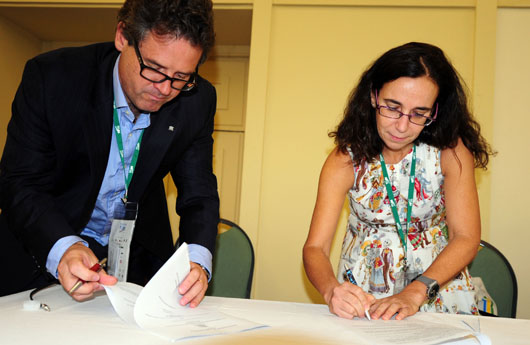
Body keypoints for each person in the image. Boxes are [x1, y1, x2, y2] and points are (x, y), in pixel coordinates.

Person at [0, 0, 219, 308]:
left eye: (181, 76)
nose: (165, 89)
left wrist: (197, 261)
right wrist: (63, 247)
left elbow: (199, 194)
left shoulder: (197, 100)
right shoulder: (53, 77)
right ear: (122, 37)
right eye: (154, 69)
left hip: (135, 258)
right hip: (44, 242)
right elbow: (19, 181)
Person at [303, 42, 494, 321]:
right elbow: (315, 248)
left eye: (419, 113)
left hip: (436, 293)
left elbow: (465, 238)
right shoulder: (345, 159)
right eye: (392, 108)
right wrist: (332, 291)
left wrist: (416, 292)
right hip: (365, 301)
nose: (402, 126)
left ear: (435, 111)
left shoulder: (450, 153)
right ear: (373, 96)